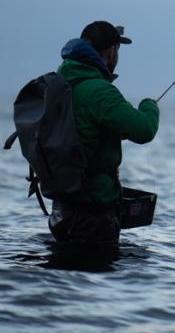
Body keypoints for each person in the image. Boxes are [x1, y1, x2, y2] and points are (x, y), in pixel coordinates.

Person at [49, 20, 160, 247]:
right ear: (111, 52)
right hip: (92, 214)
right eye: (117, 51)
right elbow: (144, 129)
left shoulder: (61, 82)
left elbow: (82, 130)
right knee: (95, 275)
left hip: (62, 210)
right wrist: (149, 106)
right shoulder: (99, 91)